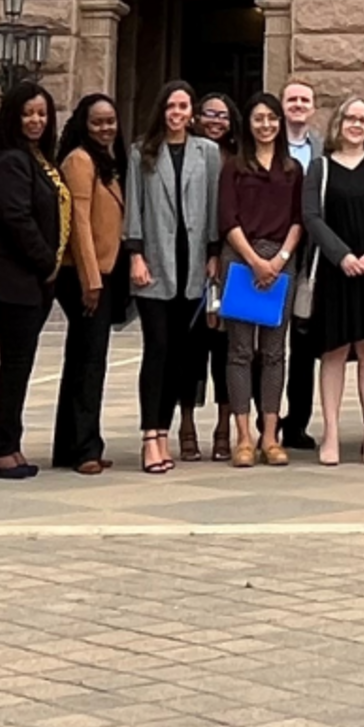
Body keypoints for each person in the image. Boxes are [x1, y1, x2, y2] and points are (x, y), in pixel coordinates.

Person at [0, 82, 69, 480]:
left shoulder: (40, 158)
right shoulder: (11, 161)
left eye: (42, 114)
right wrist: (47, 263)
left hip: (32, 281)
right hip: (11, 281)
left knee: (20, 367)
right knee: (14, 367)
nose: (36, 120)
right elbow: (17, 218)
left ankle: (8, 443)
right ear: (13, 115)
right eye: (28, 113)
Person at [125, 81, 221, 474]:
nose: (177, 113)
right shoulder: (141, 152)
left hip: (194, 266)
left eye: (184, 106)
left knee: (180, 356)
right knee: (157, 350)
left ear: (192, 112)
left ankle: (165, 433)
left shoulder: (208, 152)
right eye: (171, 106)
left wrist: (214, 255)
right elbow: (135, 206)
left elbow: (215, 205)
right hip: (154, 265)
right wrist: (135, 254)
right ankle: (151, 435)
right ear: (161, 110)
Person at [303, 97, 364, 466]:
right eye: (351, 118)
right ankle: (330, 433)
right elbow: (312, 216)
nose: (357, 125)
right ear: (339, 123)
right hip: (337, 269)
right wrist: (341, 255)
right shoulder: (320, 167)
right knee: (333, 351)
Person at [218, 92, 303, 469]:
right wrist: (254, 261)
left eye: (272, 118)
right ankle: (242, 438)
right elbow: (227, 219)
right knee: (238, 352)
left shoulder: (292, 168)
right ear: (248, 124)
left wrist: (280, 258)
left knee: (274, 353)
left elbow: (300, 219)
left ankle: (270, 435)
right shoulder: (235, 166)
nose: (266, 125)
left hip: (281, 261)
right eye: (258, 119)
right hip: (240, 259)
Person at [52, 94, 125, 476]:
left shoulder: (106, 160)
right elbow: (79, 222)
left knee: (83, 359)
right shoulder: (79, 160)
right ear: (83, 123)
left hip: (104, 270)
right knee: (89, 362)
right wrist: (91, 279)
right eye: (97, 122)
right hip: (86, 273)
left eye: (110, 120)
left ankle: (73, 443)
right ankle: (83, 449)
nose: (105, 128)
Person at [184, 91, 240, 462]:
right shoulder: (186, 153)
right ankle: (186, 426)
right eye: (210, 114)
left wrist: (220, 254)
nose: (217, 121)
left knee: (227, 349)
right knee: (190, 348)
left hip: (231, 262)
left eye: (223, 115)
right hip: (191, 263)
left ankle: (224, 428)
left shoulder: (237, 159)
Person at [280, 79, 324, 451]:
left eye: (304, 100)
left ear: (313, 107)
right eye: (291, 99)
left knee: (304, 345)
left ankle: (296, 422)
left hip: (313, 257)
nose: (298, 105)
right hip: (274, 251)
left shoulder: (323, 148)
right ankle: (263, 421)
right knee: (265, 344)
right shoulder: (269, 145)